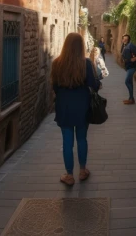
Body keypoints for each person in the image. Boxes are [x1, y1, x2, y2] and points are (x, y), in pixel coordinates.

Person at [51, 33, 100, 186]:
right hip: (82, 106)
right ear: (80, 47)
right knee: (81, 138)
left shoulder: (57, 63)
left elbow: (55, 87)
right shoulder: (85, 63)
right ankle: (83, 170)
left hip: (64, 106)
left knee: (67, 141)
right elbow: (94, 86)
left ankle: (69, 175)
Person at [121, 34, 136, 105]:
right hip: (128, 67)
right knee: (130, 82)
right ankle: (131, 99)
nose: (125, 40)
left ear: (128, 39)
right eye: (124, 39)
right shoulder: (124, 46)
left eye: (126, 39)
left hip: (132, 67)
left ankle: (131, 98)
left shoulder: (131, 46)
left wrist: (132, 60)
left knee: (127, 81)